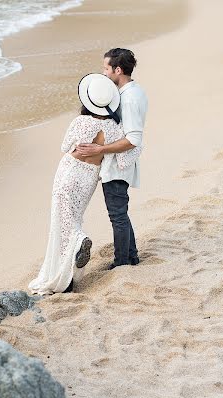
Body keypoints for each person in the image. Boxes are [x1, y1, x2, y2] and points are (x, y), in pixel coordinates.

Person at [29, 74, 141, 295]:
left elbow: (65, 146)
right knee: (74, 217)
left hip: (69, 172)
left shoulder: (80, 122)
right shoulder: (113, 128)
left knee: (62, 222)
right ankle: (69, 269)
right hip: (89, 177)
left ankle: (76, 248)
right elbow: (130, 151)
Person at [77, 48, 148, 268]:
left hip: (120, 164)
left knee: (117, 216)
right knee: (121, 214)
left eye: (106, 69)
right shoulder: (131, 92)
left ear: (118, 70)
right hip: (119, 163)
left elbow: (133, 139)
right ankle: (131, 256)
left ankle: (122, 263)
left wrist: (99, 150)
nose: (104, 74)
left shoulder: (129, 99)